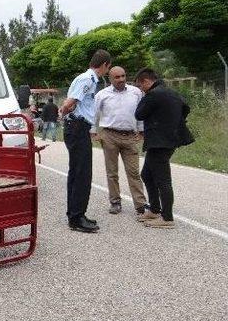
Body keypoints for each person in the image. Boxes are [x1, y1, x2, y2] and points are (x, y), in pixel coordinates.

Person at [59, 49, 112, 233]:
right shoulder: (87, 80)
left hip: (78, 127)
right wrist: (66, 119)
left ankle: (75, 213)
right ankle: (77, 217)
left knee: (77, 172)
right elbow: (69, 103)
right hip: (76, 127)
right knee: (82, 173)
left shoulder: (88, 79)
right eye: (108, 68)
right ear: (105, 65)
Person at [134, 68, 191, 229]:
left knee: (163, 180)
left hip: (160, 142)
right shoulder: (172, 92)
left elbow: (139, 114)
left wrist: (144, 99)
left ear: (146, 81)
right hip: (169, 139)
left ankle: (167, 217)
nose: (140, 89)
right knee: (147, 174)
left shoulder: (153, 94)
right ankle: (154, 209)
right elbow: (186, 108)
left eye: (140, 86)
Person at [93, 66, 152, 216]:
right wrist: (93, 132)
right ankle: (115, 202)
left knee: (134, 172)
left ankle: (140, 204)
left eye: (123, 76)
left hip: (130, 136)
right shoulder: (102, 95)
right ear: (110, 79)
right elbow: (94, 114)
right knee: (112, 172)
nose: (121, 79)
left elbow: (141, 113)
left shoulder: (136, 92)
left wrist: (142, 130)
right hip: (109, 136)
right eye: (117, 77)